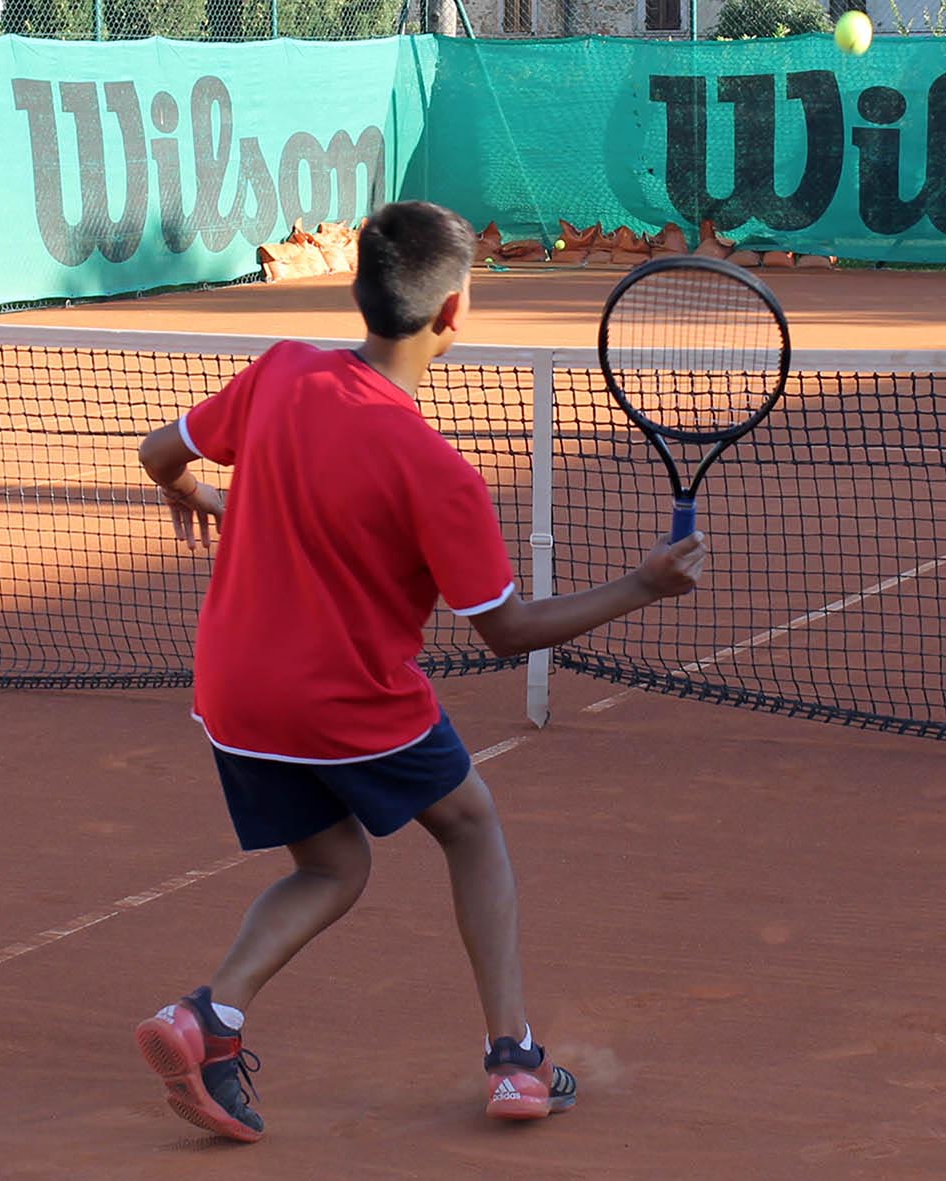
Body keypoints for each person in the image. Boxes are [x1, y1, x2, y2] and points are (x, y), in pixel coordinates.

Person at [130, 200, 707, 1142]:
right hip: (345, 698)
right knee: (471, 826)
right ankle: (516, 1059)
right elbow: (508, 630)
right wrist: (641, 585)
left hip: (232, 694)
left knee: (333, 862)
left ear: (360, 294)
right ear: (452, 315)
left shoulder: (282, 371)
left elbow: (159, 453)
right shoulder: (439, 471)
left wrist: (202, 494)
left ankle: (208, 1017)